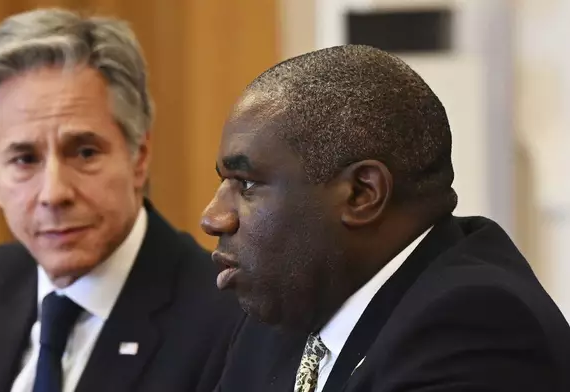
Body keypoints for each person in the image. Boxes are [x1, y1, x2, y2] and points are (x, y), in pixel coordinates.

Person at [201, 44, 570, 392]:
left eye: (246, 183)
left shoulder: (477, 326)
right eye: (223, 182)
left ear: (363, 194)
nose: (213, 218)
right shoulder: (283, 312)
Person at [0, 8, 241, 392]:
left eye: (85, 152)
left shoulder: (229, 321)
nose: (54, 193)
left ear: (139, 157)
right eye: (24, 159)